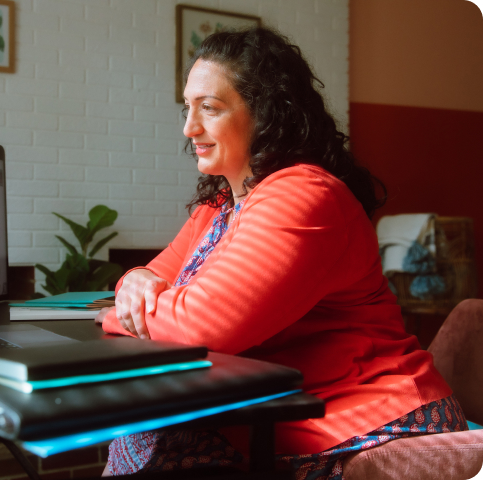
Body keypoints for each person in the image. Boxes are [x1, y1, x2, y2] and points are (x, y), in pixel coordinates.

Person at [95, 26, 465, 479]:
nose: (189, 128)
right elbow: (146, 283)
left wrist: (122, 313)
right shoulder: (218, 207)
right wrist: (134, 282)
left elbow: (199, 327)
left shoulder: (304, 194)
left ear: (267, 114)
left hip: (366, 420)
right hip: (279, 417)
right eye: (187, 107)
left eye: (209, 108)